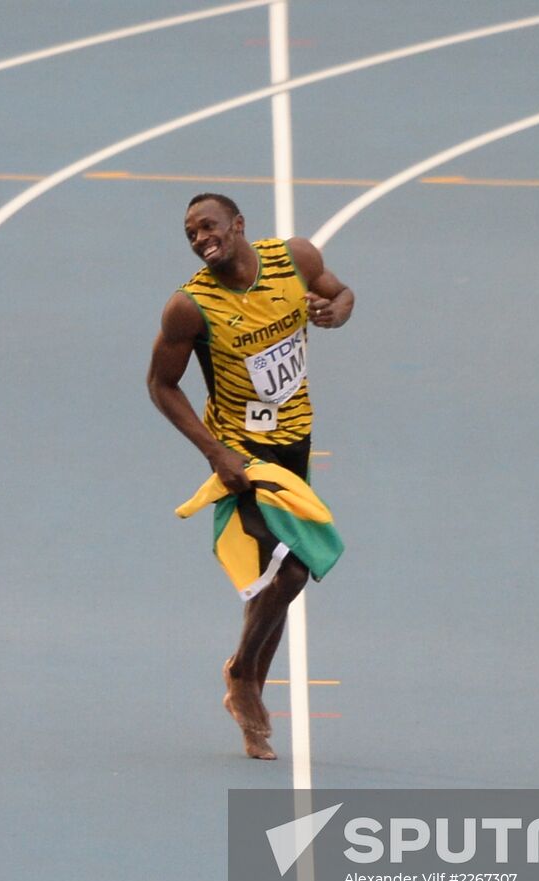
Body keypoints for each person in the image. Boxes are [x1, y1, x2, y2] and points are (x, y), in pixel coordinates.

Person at [147, 192, 354, 760]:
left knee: (282, 577)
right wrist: (215, 453)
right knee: (289, 573)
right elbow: (162, 385)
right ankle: (242, 680)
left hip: (296, 442)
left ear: (238, 225)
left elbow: (339, 291)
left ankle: (247, 696)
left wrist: (339, 309)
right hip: (243, 453)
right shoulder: (190, 307)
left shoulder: (294, 259)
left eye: (208, 227)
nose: (199, 239)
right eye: (190, 233)